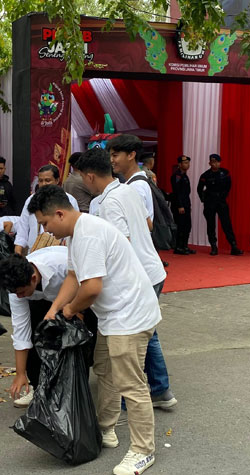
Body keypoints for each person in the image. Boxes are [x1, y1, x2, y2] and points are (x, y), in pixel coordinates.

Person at [29, 185, 161, 475]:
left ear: (60, 213)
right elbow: (74, 277)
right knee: (105, 369)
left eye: (46, 223)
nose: (46, 230)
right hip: (114, 317)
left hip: (130, 316)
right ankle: (106, 429)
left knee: (132, 384)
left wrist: (70, 309)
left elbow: (91, 288)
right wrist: (54, 310)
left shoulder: (87, 234)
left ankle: (143, 451)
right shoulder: (78, 233)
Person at [76, 148, 176, 408]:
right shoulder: (128, 190)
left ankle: (139, 391)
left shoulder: (109, 202)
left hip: (139, 273)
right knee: (147, 332)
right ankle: (159, 389)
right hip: (151, 268)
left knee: (133, 335)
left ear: (89, 177)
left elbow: (122, 246)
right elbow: (147, 224)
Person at [0, 246, 70, 408]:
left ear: (33, 278)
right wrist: (20, 373)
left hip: (76, 291)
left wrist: (76, 311)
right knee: (35, 339)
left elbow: (86, 285)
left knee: (74, 344)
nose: (19, 296)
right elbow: (21, 332)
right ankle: (38, 389)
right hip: (42, 300)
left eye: (22, 292)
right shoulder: (17, 288)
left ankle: (71, 393)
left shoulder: (61, 265)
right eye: (16, 293)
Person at [14, 164, 79, 255]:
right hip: (34, 253)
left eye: (47, 180)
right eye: (41, 181)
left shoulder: (69, 200)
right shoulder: (31, 200)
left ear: (57, 181)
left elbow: (74, 227)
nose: (44, 184)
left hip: (60, 252)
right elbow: (23, 227)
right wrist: (18, 252)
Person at [197, 154, 244, 256]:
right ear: (209, 163)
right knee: (211, 225)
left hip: (221, 201)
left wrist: (223, 196)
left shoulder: (225, 173)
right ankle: (213, 246)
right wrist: (203, 199)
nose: (215, 164)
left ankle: (233, 246)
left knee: (227, 224)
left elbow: (228, 186)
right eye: (213, 162)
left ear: (220, 162)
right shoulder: (205, 175)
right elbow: (199, 189)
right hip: (210, 202)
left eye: (217, 162)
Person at [107, 134, 153, 230]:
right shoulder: (135, 182)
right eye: (110, 156)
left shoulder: (137, 186)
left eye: (115, 155)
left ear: (131, 155)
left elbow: (142, 225)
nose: (111, 160)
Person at [171, 155, 195, 255]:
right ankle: (178, 247)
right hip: (179, 205)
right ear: (179, 164)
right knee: (180, 226)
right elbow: (177, 192)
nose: (187, 165)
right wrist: (180, 205)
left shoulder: (184, 175)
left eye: (188, 163)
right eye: (185, 163)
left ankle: (184, 246)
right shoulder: (176, 176)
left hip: (186, 204)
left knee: (187, 226)